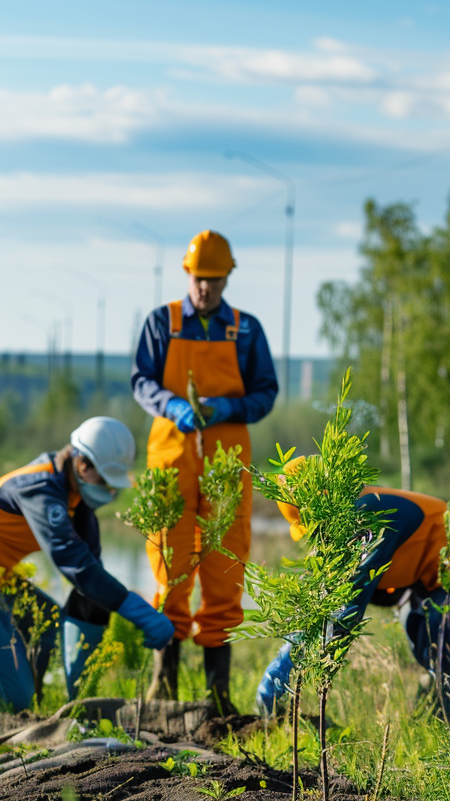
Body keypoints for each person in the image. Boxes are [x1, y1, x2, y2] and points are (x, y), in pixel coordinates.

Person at [0, 417, 175, 715]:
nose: (109, 492)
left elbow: (91, 586)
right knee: (9, 695)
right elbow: (75, 564)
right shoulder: (40, 489)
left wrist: (81, 700)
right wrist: (137, 611)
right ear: (83, 464)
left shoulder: (75, 499)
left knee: (48, 623)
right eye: (104, 480)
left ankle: (33, 708)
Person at [131, 230, 277, 712]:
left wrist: (227, 408)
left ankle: (217, 697)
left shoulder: (247, 330)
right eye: (199, 279)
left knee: (225, 567)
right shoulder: (162, 323)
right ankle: (164, 684)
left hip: (226, 463)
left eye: (214, 280)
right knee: (168, 566)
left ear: (227, 277)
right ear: (187, 274)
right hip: (170, 461)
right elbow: (140, 381)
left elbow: (265, 394)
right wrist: (172, 404)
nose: (205, 289)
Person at [257, 465, 450, 716]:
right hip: (437, 574)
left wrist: (288, 662)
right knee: (420, 629)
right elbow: (342, 595)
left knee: (449, 639)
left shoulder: (367, 514)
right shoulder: (353, 513)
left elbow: (345, 607)